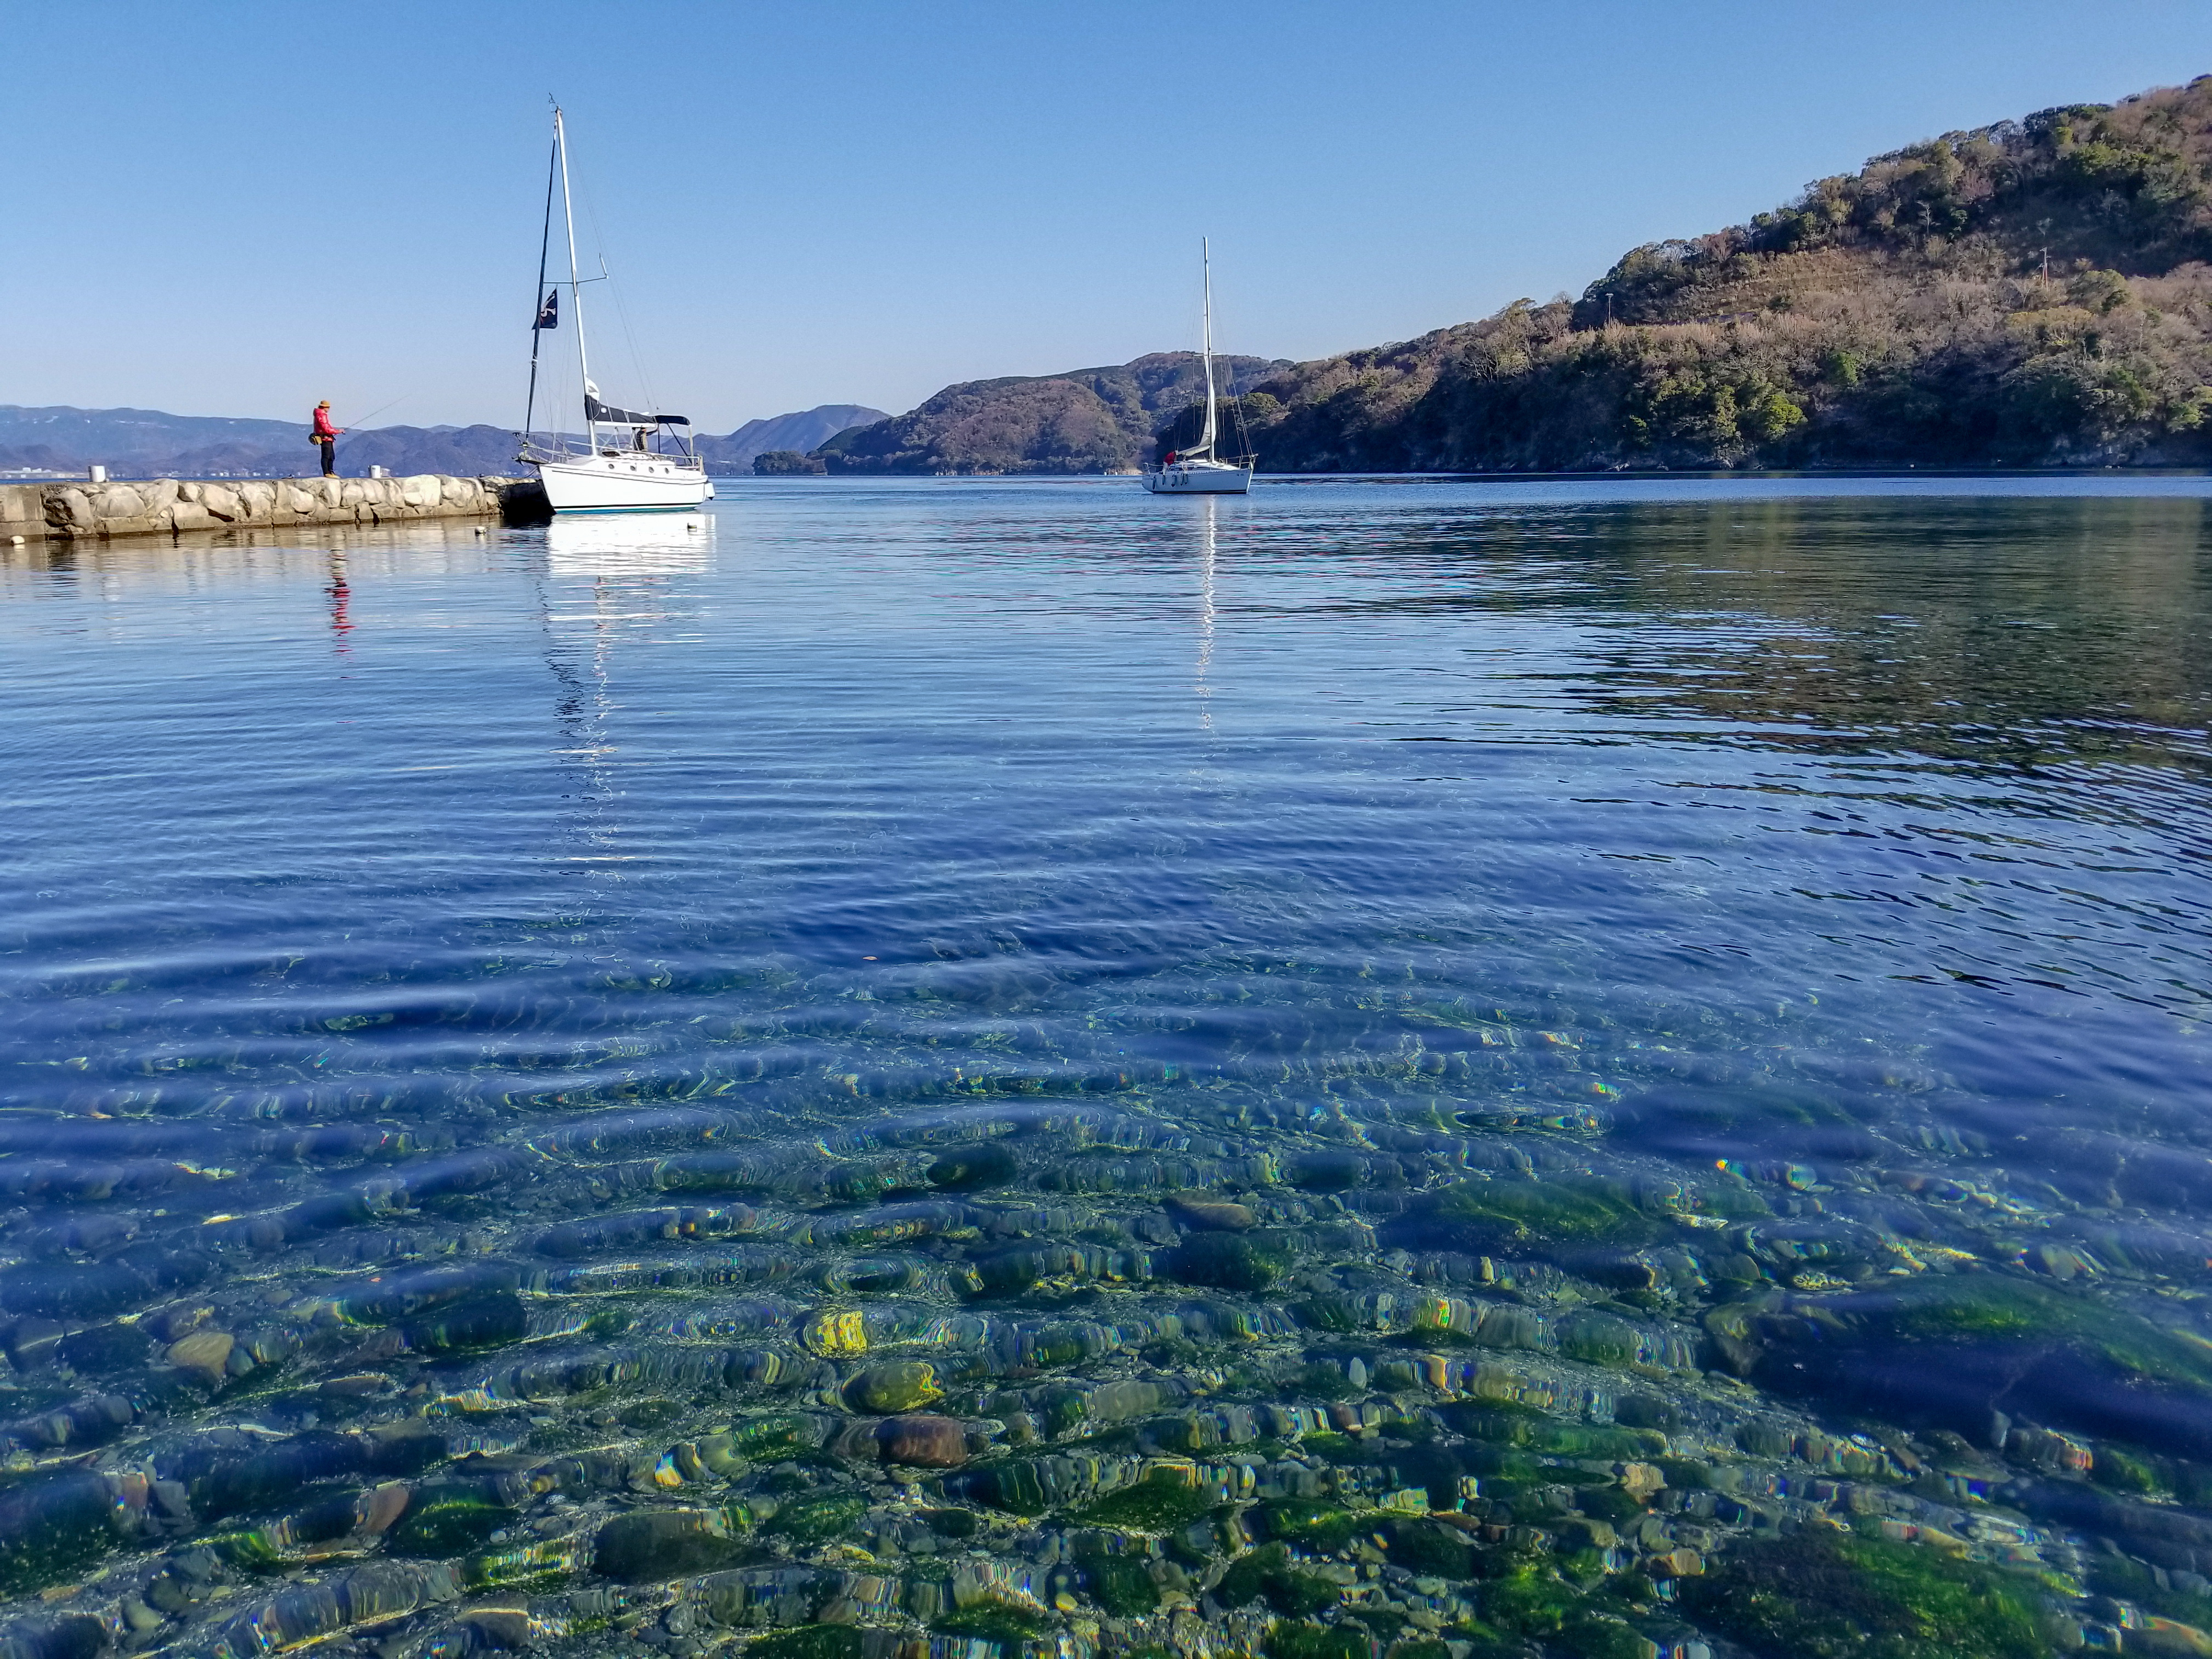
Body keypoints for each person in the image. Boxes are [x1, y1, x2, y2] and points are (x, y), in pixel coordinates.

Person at [311, 400, 345, 477]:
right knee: (327, 456)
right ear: (324, 407)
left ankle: (330, 472)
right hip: (326, 438)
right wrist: (338, 431)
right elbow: (326, 428)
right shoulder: (322, 415)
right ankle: (327, 472)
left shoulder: (320, 415)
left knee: (331, 456)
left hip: (327, 438)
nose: (329, 409)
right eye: (328, 407)